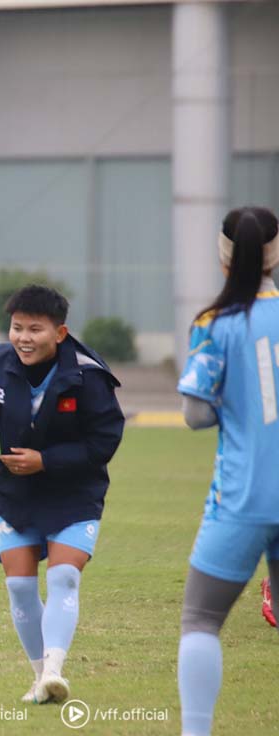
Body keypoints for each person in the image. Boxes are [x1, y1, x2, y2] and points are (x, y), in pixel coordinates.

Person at [0, 284, 123, 705]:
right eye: (17, 328)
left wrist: (46, 460)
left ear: (60, 333)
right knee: (19, 587)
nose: (24, 338)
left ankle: (53, 670)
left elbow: (104, 441)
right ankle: (39, 679)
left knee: (64, 577)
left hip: (75, 493)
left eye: (35, 329)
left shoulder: (88, 375)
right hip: (17, 494)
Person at [176, 206, 279, 736]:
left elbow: (195, 414)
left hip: (244, 495)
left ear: (224, 259)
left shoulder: (215, 323)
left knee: (201, 620)